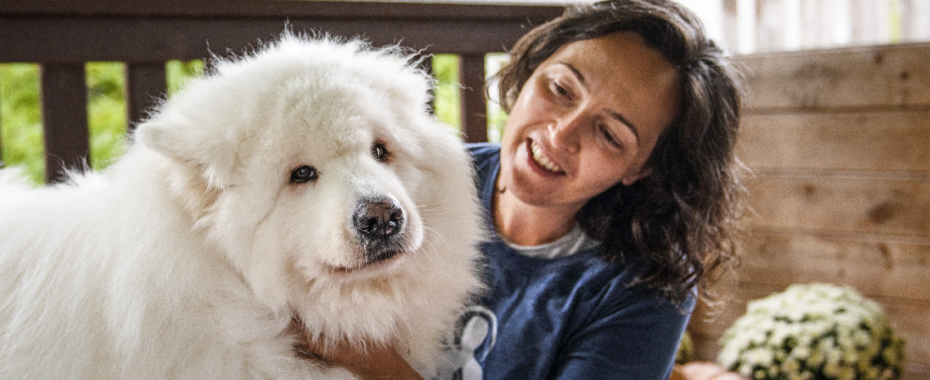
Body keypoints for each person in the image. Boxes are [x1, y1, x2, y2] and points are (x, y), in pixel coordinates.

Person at [299, 0, 745, 379]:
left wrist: (381, 367)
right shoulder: (423, 175)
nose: (561, 134)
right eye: (561, 88)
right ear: (532, 70)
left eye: (610, 135)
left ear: (642, 169)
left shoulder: (645, 287)